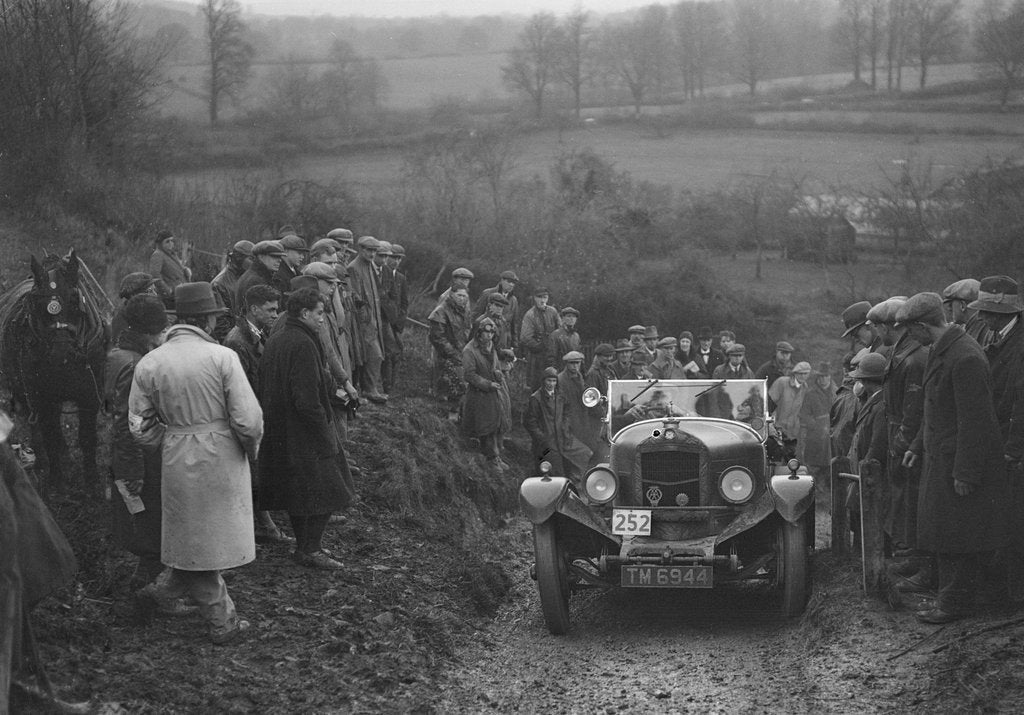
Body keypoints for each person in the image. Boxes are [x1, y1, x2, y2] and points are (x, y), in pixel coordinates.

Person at [129, 282, 263, 644]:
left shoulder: (150, 362)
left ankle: (158, 594)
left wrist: (168, 441)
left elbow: (139, 426)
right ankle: (223, 621)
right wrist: (248, 450)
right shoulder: (221, 357)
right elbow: (248, 420)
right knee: (207, 538)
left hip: (176, 453)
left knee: (193, 536)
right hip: (221, 452)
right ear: (205, 318)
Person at [898, 292, 1009, 623]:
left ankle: (954, 603)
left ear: (921, 326)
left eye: (908, 330)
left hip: (956, 463)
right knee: (945, 532)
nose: (908, 337)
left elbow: (977, 422)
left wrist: (967, 472)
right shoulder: (943, 351)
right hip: (941, 457)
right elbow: (936, 408)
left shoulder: (965, 358)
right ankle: (947, 597)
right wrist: (916, 446)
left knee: (957, 535)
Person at [258, 287, 354, 570]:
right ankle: (310, 549)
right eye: (320, 313)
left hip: (280, 428)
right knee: (332, 489)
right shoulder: (302, 343)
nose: (323, 319)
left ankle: (304, 548)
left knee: (299, 494)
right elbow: (306, 399)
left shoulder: (279, 338)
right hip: (304, 430)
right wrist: (324, 433)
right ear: (304, 314)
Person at [104, 294, 169, 591]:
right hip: (140, 459)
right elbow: (127, 424)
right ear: (149, 331)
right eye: (160, 331)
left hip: (127, 456)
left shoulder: (117, 354)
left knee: (146, 525)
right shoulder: (136, 365)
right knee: (150, 524)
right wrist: (133, 472)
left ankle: (148, 584)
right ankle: (148, 591)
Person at [968, 275, 1024, 603]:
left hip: (1013, 446)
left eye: (987, 311)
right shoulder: (996, 336)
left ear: (1003, 312)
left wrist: (1013, 449)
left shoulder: (1019, 343)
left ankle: (1014, 594)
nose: (982, 317)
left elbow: (1021, 401)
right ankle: (1004, 588)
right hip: (999, 440)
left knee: (1015, 520)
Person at [868, 297, 929, 582]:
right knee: (905, 501)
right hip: (898, 435)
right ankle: (914, 558)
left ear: (889, 326)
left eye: (877, 328)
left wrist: (902, 442)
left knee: (914, 501)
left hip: (907, 439)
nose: (876, 335)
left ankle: (922, 563)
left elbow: (914, 409)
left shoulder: (913, 357)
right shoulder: (898, 352)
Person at [524, 367, 591, 479]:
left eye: (554, 381)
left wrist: (565, 426)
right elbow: (530, 422)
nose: (551, 384)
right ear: (543, 381)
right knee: (555, 471)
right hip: (546, 442)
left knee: (585, 454)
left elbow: (567, 412)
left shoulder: (560, 395)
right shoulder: (536, 398)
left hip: (562, 437)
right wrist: (541, 437)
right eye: (548, 380)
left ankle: (579, 484)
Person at [462, 317, 509, 473]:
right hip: (478, 394)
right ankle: (490, 459)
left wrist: (498, 373)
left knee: (496, 423)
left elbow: (494, 365)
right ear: (479, 332)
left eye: (492, 332)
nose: (489, 335)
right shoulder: (469, 350)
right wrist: (487, 384)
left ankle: (496, 456)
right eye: (486, 332)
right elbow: (469, 375)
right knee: (485, 426)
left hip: (493, 393)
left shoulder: (491, 347)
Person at [347, 236, 388, 403]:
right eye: (369, 250)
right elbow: (355, 296)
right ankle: (368, 390)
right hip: (363, 320)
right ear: (361, 249)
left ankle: (369, 389)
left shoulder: (369, 266)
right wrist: (365, 317)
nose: (372, 254)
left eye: (374, 251)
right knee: (372, 355)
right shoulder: (353, 268)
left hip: (373, 318)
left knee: (376, 354)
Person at [429, 285, 473, 421]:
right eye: (459, 295)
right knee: (456, 383)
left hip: (461, 354)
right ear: (451, 295)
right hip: (445, 356)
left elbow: (468, 334)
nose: (462, 298)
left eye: (465, 296)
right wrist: (454, 354)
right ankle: (448, 415)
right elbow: (438, 337)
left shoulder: (465, 312)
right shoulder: (441, 311)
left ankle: (459, 414)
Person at [799, 362, 834, 496]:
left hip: (831, 435)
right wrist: (816, 425)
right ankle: (816, 495)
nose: (823, 379)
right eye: (820, 377)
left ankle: (828, 496)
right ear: (817, 378)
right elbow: (804, 414)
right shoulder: (811, 394)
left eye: (826, 376)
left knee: (830, 465)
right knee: (815, 466)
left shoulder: (836, 392)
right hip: (816, 437)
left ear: (830, 377)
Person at [519, 287, 560, 392]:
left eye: (545, 297)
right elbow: (525, 338)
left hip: (553, 355)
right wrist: (541, 346)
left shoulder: (553, 312)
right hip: (537, 357)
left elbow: (560, 330)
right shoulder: (530, 315)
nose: (542, 301)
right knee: (537, 386)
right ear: (534, 298)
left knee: (555, 383)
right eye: (539, 297)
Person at [234, 240, 288, 312]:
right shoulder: (255, 281)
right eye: (274, 256)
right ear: (261, 257)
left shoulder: (257, 276)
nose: (279, 260)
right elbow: (259, 313)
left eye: (280, 257)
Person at [110, 272, 158, 344]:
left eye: (155, 290)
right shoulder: (122, 317)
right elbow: (120, 346)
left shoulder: (149, 309)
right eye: (150, 291)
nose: (155, 294)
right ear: (134, 295)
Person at [769, 361, 811, 441]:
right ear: (794, 373)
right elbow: (769, 404)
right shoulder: (782, 382)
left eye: (805, 374)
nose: (802, 376)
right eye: (800, 373)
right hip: (776, 428)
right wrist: (771, 425)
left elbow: (801, 411)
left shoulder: (805, 388)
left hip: (792, 432)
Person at [942, 278, 991, 347]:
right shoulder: (979, 326)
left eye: (951, 304)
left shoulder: (981, 331)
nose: (949, 309)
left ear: (962, 306)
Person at [474, 270, 520, 339]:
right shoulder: (487, 293)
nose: (511, 285)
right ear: (502, 280)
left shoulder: (514, 300)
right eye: (509, 281)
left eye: (513, 283)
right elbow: (476, 316)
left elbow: (514, 325)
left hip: (503, 339)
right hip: (486, 337)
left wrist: (514, 345)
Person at [149, 230, 191, 306]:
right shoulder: (158, 255)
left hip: (181, 293)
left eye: (172, 241)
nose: (171, 243)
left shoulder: (171, 254)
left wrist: (185, 270)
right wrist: (168, 290)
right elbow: (155, 275)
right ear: (160, 244)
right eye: (167, 241)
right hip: (172, 296)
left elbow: (177, 269)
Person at [211, 240, 254, 315]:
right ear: (238, 258)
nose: (254, 263)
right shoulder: (219, 284)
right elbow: (220, 319)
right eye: (251, 259)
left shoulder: (249, 278)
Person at [756, 341, 795, 411]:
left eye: (787, 353)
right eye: (782, 353)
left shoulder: (795, 370)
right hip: (770, 408)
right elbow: (757, 388)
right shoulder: (765, 369)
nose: (785, 356)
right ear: (777, 352)